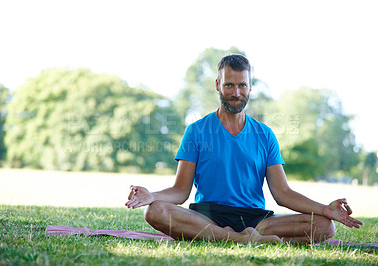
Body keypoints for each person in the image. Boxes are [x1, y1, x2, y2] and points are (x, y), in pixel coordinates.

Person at [125, 54, 363, 244]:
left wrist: (324, 209)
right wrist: (152, 196)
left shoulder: (265, 135)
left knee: (324, 226)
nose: (235, 93)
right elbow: (180, 191)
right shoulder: (196, 131)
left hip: (255, 219)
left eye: (242, 85)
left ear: (250, 87)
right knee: (154, 212)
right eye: (229, 85)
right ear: (218, 85)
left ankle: (240, 237)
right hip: (207, 215)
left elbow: (283, 194)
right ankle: (239, 239)